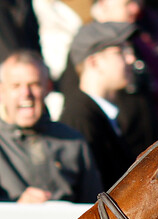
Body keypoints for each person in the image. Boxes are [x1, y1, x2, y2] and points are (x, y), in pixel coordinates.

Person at [0, 50, 102, 203]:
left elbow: (94, 208)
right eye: (16, 86)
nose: (26, 93)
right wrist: (16, 207)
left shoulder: (72, 141)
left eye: (34, 84)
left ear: (47, 87)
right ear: (1, 91)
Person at [59, 21, 138, 190]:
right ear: (94, 62)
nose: (131, 59)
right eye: (120, 51)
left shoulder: (102, 114)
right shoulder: (79, 118)